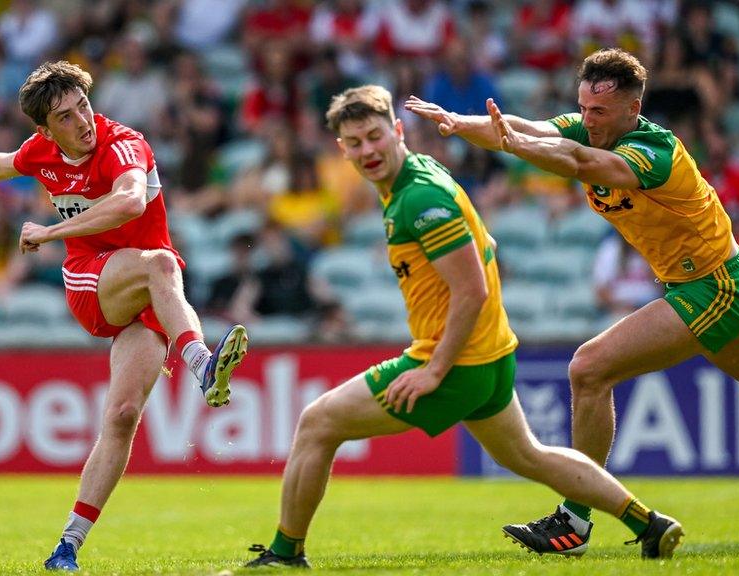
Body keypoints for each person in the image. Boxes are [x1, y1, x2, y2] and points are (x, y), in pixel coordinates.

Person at [406, 47, 739, 554]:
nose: (588, 121)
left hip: (714, 285)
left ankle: (574, 519)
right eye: (584, 109)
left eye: (599, 113)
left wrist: (510, 143)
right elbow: (525, 127)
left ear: (632, 110)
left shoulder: (652, 152)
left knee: (589, 369)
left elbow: (574, 160)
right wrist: (457, 122)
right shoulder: (590, 127)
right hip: (700, 283)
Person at [244, 84, 684, 569]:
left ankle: (285, 554)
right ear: (341, 150)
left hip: (456, 362)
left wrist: (434, 369)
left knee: (316, 424)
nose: (367, 151)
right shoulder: (422, 179)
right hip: (490, 357)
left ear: (397, 130)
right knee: (529, 456)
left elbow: (471, 288)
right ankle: (649, 524)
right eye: (354, 143)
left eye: (374, 136)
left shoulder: (418, 198)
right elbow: (487, 242)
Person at [0, 60, 249, 572]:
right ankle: (203, 363)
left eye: (84, 106)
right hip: (94, 284)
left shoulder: (124, 144)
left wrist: (49, 233)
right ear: (45, 129)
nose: (83, 121)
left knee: (121, 418)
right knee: (162, 261)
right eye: (66, 116)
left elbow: (130, 201)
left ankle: (66, 547)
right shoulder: (41, 153)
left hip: (149, 297)